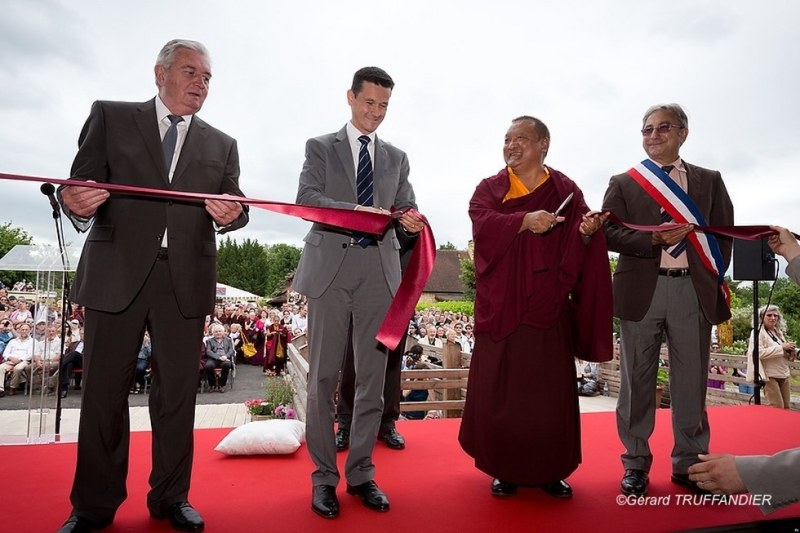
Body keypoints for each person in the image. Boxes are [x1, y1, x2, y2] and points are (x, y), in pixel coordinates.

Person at [55, 39, 248, 533]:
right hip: (115, 272)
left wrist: (234, 214)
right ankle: (93, 507)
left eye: (206, 77)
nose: (200, 83)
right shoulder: (110, 116)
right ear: (159, 73)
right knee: (102, 392)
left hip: (185, 278)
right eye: (190, 72)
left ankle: (171, 497)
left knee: (178, 395)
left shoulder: (222, 143)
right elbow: (79, 185)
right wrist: (72, 201)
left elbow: (236, 203)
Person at [293, 66, 424, 519]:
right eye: (369, 103)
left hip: (379, 275)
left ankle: (363, 473)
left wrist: (408, 216)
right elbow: (308, 198)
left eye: (384, 106)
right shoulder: (319, 147)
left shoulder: (397, 157)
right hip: (330, 270)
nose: (376, 113)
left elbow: (405, 202)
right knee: (323, 379)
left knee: (372, 382)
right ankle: (324, 478)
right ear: (350, 97)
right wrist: (360, 212)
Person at [458, 115, 612, 499]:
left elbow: (579, 238)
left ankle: (551, 469)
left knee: (548, 396)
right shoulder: (490, 188)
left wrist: (586, 231)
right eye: (507, 140)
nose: (511, 146)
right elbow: (483, 224)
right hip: (504, 307)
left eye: (520, 139)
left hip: (548, 306)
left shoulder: (565, 189)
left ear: (544, 144)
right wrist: (524, 221)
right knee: (503, 392)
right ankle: (503, 467)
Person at [602, 103, 734, 497]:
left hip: (691, 291)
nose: (653, 135)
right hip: (642, 289)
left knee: (691, 382)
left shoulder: (710, 180)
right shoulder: (625, 181)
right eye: (647, 130)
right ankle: (636, 463)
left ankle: (690, 465)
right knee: (636, 383)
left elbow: (722, 234)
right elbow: (608, 235)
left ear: (683, 133)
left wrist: (706, 277)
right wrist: (653, 239)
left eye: (663, 128)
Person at [0, 322, 34, 397]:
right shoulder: (13, 341)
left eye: (26, 330)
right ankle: (1, 389)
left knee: (18, 368)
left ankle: (13, 387)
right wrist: (10, 358)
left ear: (30, 331)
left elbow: (30, 354)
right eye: (22, 329)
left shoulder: (32, 342)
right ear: (19, 330)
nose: (24, 331)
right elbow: (5, 353)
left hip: (24, 361)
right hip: (11, 360)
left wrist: (19, 360)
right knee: (1, 367)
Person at [203, 324, 234, 392]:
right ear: (213, 333)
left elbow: (231, 350)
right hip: (214, 359)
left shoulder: (228, 340)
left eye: (219, 331)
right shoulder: (209, 341)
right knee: (208, 366)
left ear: (223, 332)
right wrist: (219, 357)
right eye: (216, 332)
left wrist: (226, 356)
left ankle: (221, 384)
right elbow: (208, 351)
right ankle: (212, 384)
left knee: (227, 365)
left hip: (225, 358)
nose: (218, 333)